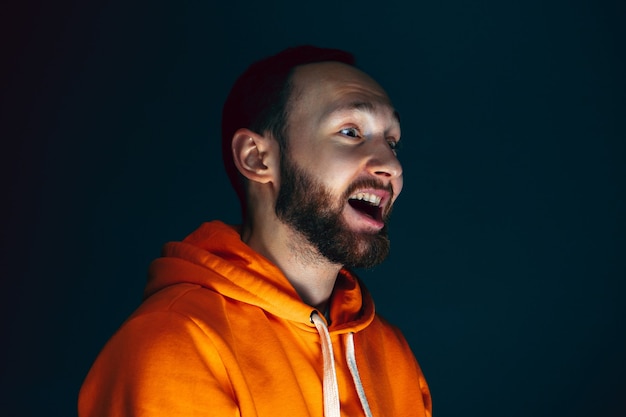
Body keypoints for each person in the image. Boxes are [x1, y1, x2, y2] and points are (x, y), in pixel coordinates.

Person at [78, 45, 432, 417]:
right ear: (256, 157)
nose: (391, 165)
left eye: (391, 142)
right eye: (350, 132)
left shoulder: (393, 354)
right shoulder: (175, 341)